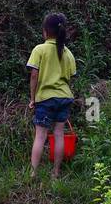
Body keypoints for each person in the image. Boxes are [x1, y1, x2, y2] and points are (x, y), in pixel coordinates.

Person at [27, 12, 79, 181]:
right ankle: (55, 173)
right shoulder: (68, 53)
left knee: (40, 135)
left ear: (45, 31)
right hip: (65, 98)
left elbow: (34, 75)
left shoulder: (39, 50)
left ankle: (33, 173)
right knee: (58, 135)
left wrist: (33, 99)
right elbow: (70, 78)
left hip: (45, 98)